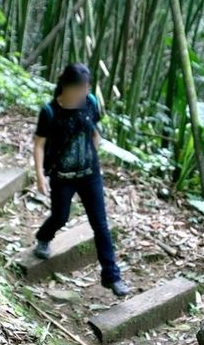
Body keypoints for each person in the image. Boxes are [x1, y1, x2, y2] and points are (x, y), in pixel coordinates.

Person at [33, 63, 131, 297]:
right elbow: (39, 144)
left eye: (86, 88)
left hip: (89, 175)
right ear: (67, 86)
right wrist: (39, 176)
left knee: (100, 225)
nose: (84, 92)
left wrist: (94, 154)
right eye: (80, 88)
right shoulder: (49, 112)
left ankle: (112, 276)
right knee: (60, 216)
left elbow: (94, 131)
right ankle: (43, 237)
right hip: (62, 177)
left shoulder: (90, 103)